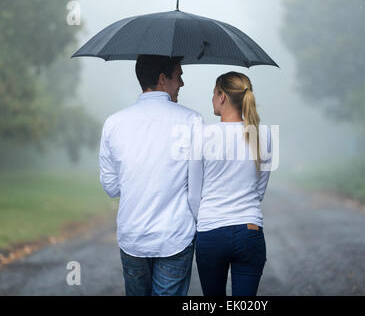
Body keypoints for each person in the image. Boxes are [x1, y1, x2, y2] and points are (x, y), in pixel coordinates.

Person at [99, 54, 203, 296]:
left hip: (132, 235)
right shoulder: (191, 120)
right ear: (162, 79)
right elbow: (197, 187)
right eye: (179, 76)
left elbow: (110, 187)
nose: (182, 84)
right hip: (175, 236)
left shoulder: (114, 123)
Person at [193, 71, 272, 296]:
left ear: (222, 97)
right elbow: (259, 190)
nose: (212, 98)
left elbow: (193, 193)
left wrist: (206, 218)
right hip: (250, 230)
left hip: (211, 232)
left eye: (213, 93)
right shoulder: (263, 134)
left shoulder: (202, 134)